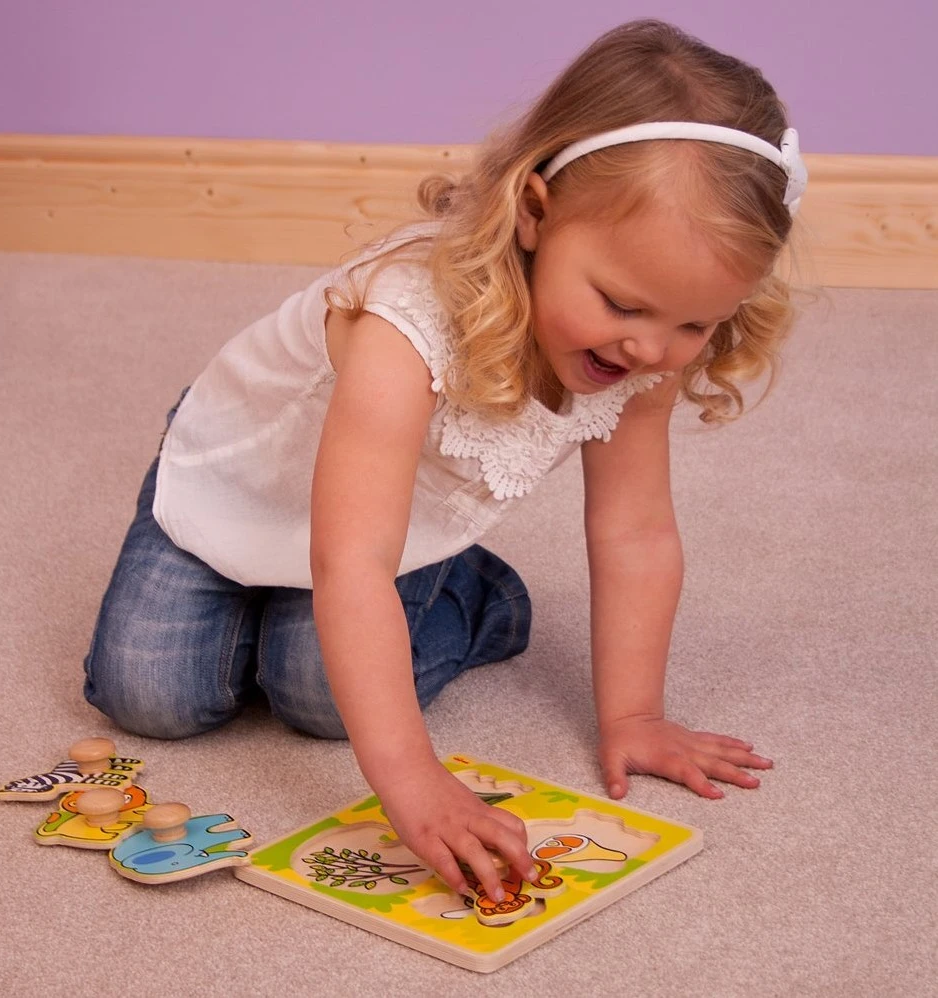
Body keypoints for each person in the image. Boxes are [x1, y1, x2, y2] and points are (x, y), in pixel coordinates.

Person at [83, 19, 805, 904]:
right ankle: (476, 591)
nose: (652, 348)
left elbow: (636, 529)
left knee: (319, 700)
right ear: (535, 212)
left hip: (391, 524)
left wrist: (636, 714)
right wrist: (413, 783)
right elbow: (348, 562)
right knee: (149, 696)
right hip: (243, 485)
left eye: (693, 324)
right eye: (623, 304)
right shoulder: (404, 319)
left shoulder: (643, 354)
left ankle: (461, 594)